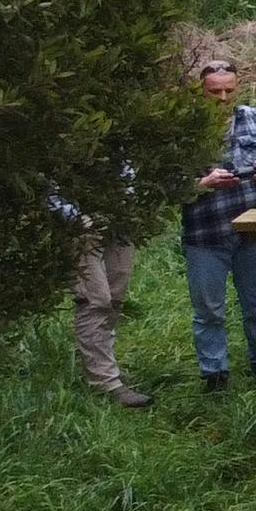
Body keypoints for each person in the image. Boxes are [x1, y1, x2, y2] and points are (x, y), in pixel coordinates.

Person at [182, 52, 256, 392]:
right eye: (215, 92)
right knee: (209, 310)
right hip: (205, 232)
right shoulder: (184, 129)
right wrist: (202, 183)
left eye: (229, 90)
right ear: (201, 91)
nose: (223, 98)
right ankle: (214, 374)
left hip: (254, 228)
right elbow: (166, 184)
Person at [53, 167, 153, 409]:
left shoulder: (120, 133)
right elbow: (47, 178)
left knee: (114, 297)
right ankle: (105, 383)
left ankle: (104, 368)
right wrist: (75, 219)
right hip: (79, 224)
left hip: (119, 218)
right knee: (94, 299)